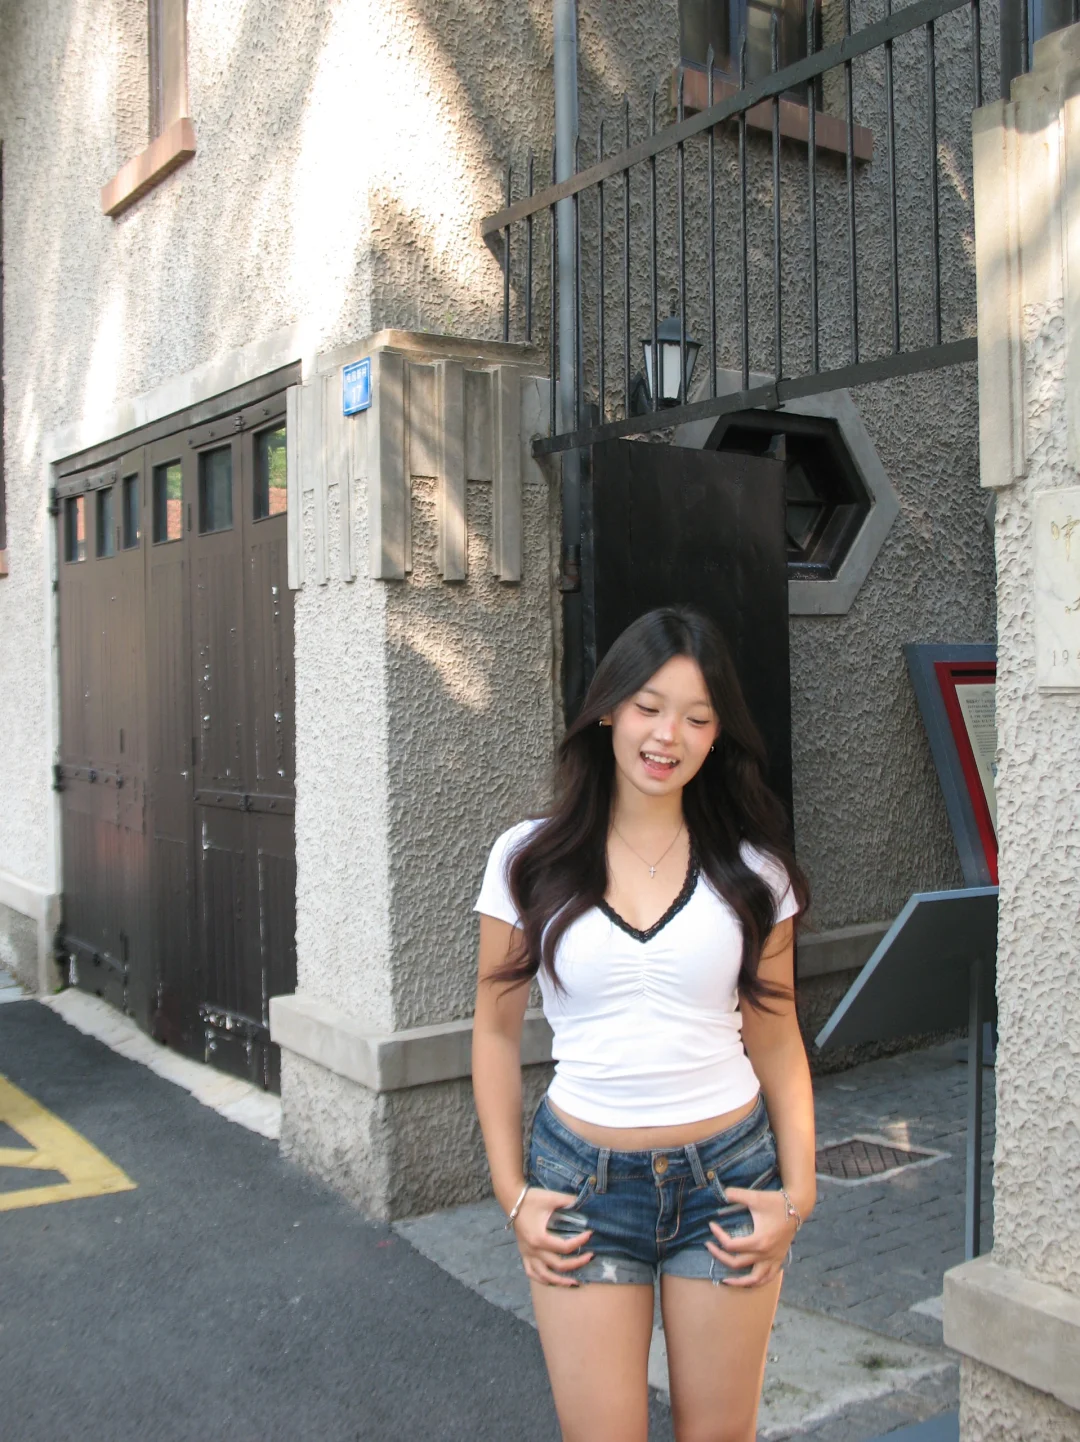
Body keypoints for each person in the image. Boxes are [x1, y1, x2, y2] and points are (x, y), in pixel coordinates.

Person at [471, 605, 816, 1442]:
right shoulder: (528, 858)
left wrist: (798, 1196)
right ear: (608, 711)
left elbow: (777, 1039)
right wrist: (512, 1193)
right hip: (580, 1186)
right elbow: (494, 1031)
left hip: (728, 1183)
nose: (669, 736)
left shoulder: (755, 872)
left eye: (697, 718)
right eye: (649, 708)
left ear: (718, 736)